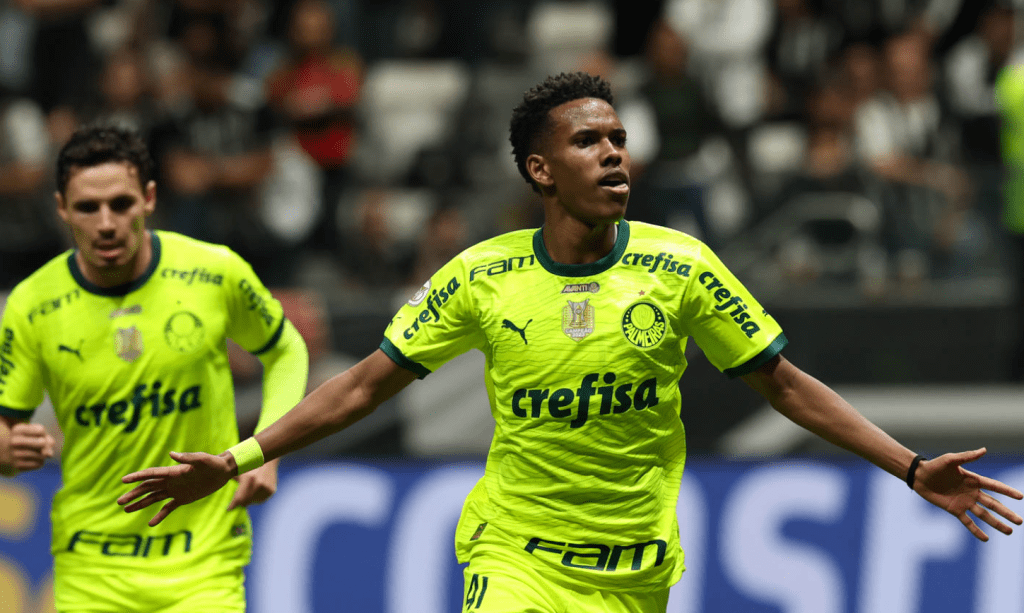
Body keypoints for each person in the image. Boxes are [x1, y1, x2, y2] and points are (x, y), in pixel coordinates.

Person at [118, 73, 1022, 613]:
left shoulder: (680, 267)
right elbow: (360, 386)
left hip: (636, 574)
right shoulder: (481, 277)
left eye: (619, 138)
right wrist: (238, 456)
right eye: (589, 141)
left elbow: (784, 385)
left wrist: (910, 468)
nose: (615, 153)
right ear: (540, 169)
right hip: (517, 559)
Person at [0, 124, 309, 612]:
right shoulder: (31, 305)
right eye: (87, 207)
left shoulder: (214, 272)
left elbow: (286, 351)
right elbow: (5, 429)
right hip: (92, 567)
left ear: (148, 198)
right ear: (62, 208)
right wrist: (5, 450)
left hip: (204, 561)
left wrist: (266, 452)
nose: (106, 223)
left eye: (120, 204)